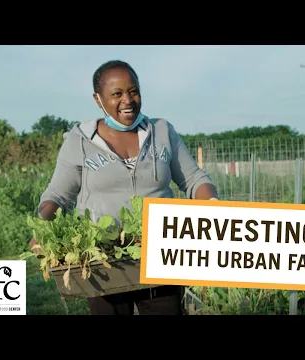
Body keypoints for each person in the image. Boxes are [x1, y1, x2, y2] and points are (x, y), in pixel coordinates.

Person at [28, 60, 219, 315]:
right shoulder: (80, 141)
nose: (127, 100)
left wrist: (213, 206)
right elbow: (57, 196)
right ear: (98, 100)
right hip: (103, 261)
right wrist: (42, 229)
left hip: (160, 253)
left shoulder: (161, 131)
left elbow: (194, 179)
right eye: (116, 94)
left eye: (133, 91)